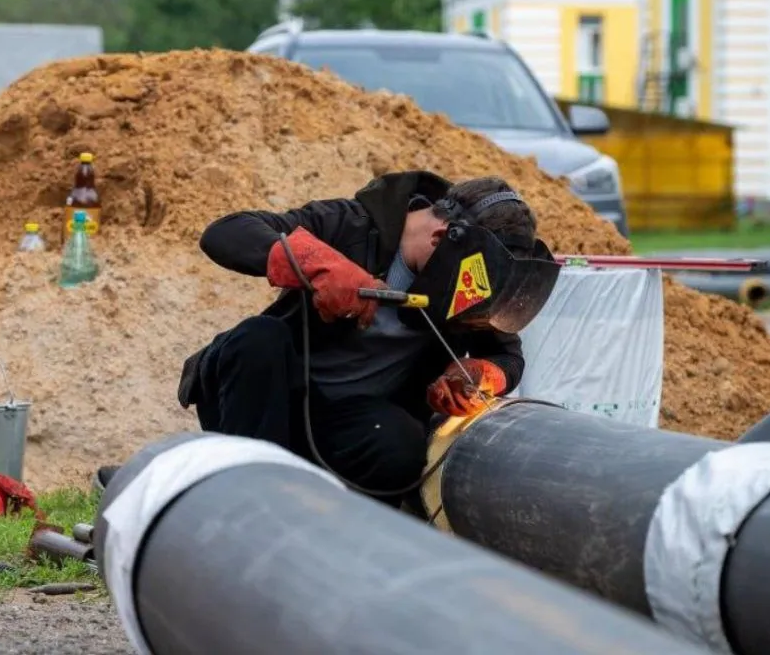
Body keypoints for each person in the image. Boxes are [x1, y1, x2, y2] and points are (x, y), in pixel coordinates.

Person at [157, 171, 540, 507]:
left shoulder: (472, 277)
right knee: (258, 338)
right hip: (264, 403)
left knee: (399, 442)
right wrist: (317, 263)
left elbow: (507, 356)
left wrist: (480, 373)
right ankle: (250, 496)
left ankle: (343, 535)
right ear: (442, 237)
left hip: (349, 424)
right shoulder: (351, 225)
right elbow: (225, 232)